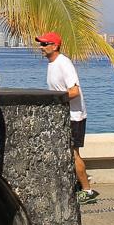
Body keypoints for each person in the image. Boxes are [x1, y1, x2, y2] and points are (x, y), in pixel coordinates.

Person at [36, 31, 99, 205]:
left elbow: (74, 91)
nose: (40, 47)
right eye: (41, 44)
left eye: (44, 44)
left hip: (74, 116)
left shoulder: (64, 63)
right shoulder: (52, 64)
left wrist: (55, 100)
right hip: (64, 116)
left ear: (55, 46)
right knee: (68, 153)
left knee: (73, 154)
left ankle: (87, 190)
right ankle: (78, 185)